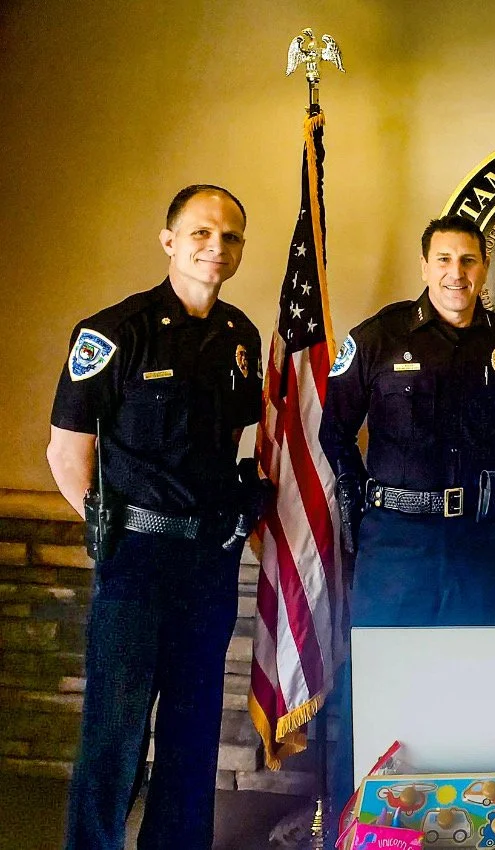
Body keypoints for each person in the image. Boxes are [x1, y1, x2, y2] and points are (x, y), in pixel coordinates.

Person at [46, 185, 262, 850]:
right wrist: (109, 532)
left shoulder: (240, 338)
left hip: (207, 563)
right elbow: (66, 451)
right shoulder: (114, 332)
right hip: (135, 560)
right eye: (201, 233)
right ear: (169, 240)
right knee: (115, 731)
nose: (215, 248)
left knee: (192, 731)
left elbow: (242, 442)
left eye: (229, 237)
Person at [319, 214, 495, 829]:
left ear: (483, 269)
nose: (456, 273)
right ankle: (355, 824)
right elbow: (333, 429)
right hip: (396, 544)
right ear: (424, 266)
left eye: (468, 261)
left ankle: (446, 826)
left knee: (461, 682)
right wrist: (360, 501)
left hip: (479, 541)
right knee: (376, 682)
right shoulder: (381, 337)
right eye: (444, 259)